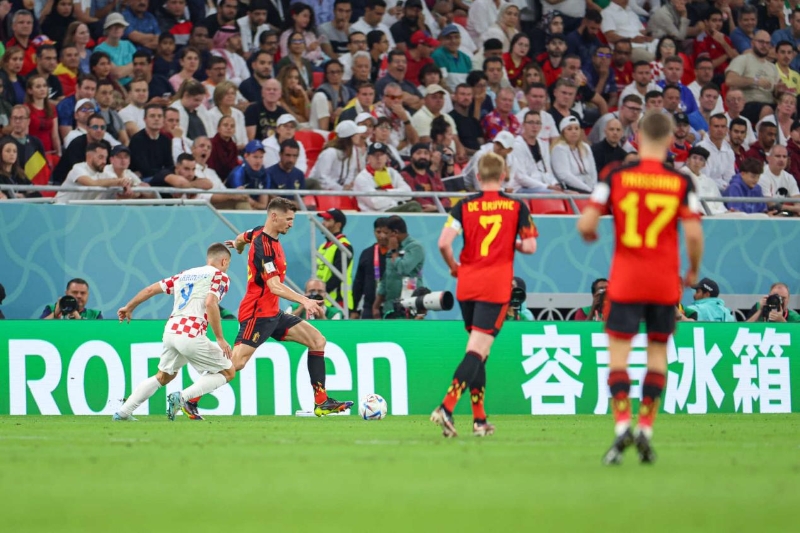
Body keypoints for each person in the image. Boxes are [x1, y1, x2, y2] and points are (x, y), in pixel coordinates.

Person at [577, 111, 704, 465]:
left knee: (619, 357)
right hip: (664, 283)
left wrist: (591, 232)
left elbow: (585, 223)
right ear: (670, 141)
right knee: (657, 356)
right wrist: (693, 270)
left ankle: (622, 426)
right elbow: (694, 233)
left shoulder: (614, 175)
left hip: (626, 281)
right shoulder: (682, 182)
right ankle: (646, 428)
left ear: (637, 137)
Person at [209, 198, 354, 416]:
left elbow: (241, 238)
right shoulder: (264, 247)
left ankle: (321, 401)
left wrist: (238, 247)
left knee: (317, 340)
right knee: (236, 363)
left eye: (292, 219)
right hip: (257, 313)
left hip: (272, 313)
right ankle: (190, 397)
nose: (291, 224)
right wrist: (304, 300)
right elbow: (274, 286)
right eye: (288, 219)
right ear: (274, 217)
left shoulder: (257, 232)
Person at [431, 151, 538, 438]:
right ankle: (446, 407)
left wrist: (453, 266)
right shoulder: (516, 206)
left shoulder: (464, 206)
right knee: (476, 351)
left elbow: (443, 243)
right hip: (495, 286)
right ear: (504, 176)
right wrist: (512, 243)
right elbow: (530, 247)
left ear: (478, 177)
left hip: (467, 285)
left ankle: (479, 419)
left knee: (480, 352)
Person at [112, 243, 237, 421]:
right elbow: (210, 303)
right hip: (191, 333)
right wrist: (220, 338)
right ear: (224, 261)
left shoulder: (184, 275)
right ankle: (183, 397)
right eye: (228, 264)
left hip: (171, 330)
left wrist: (129, 307)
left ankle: (122, 413)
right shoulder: (220, 276)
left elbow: (150, 290)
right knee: (228, 371)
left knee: (164, 376)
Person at [315, 207, 354, 311]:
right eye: (323, 219)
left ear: (338, 225)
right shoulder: (322, 246)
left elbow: (338, 276)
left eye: (328, 220)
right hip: (324, 299)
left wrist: (319, 293)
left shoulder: (344, 246)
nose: (323, 223)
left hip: (338, 301)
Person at [351, 217, 389, 319]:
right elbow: (358, 282)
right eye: (378, 232)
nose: (382, 236)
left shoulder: (398, 253)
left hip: (392, 306)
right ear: (374, 232)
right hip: (369, 307)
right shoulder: (367, 253)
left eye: (385, 232)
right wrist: (354, 309)